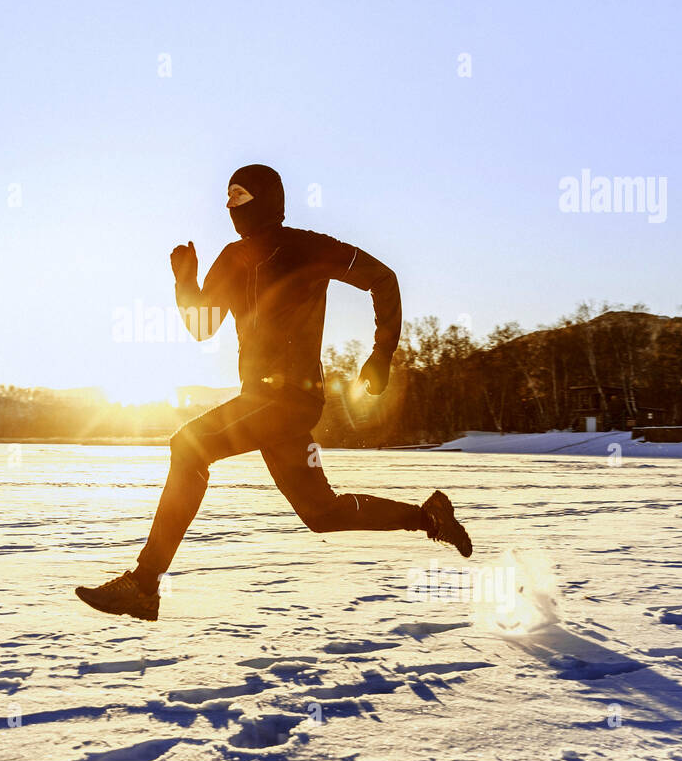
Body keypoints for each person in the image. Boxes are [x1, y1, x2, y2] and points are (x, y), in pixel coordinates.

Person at [77, 164, 471, 621]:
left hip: (290, 400)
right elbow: (202, 327)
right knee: (322, 513)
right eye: (226, 198)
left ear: (266, 199)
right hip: (260, 403)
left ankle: (144, 585)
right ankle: (430, 517)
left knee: (188, 447)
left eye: (240, 196)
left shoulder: (308, 247)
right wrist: (185, 282)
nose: (230, 206)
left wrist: (382, 353)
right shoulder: (230, 258)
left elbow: (383, 279)